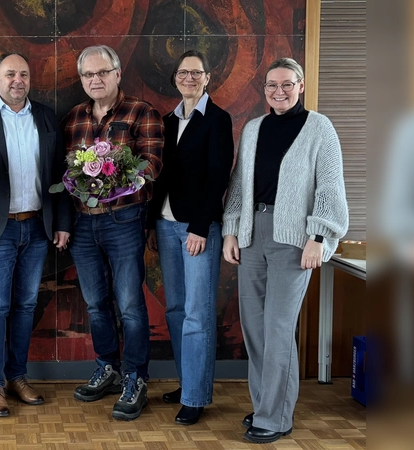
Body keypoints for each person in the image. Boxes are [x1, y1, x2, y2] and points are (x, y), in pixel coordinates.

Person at [222, 57, 348, 443]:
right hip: (252, 233)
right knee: (254, 328)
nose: (279, 91)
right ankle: (266, 405)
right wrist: (231, 231)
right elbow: (239, 184)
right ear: (264, 89)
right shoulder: (253, 129)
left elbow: (330, 187)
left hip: (294, 238)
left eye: (287, 84)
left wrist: (319, 237)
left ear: (301, 86)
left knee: (278, 328)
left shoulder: (320, 128)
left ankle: (275, 417)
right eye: (272, 85)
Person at [0, 53, 72, 417]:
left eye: (23, 74)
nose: (17, 80)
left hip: (37, 226)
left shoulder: (46, 116)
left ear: (30, 79)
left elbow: (60, 173)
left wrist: (62, 222)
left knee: (26, 305)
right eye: (10, 74)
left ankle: (17, 376)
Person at [62, 44, 163, 421]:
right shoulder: (74, 118)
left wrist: (114, 177)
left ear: (117, 73)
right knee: (95, 304)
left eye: (102, 72)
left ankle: (136, 377)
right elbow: (65, 170)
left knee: (131, 305)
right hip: (82, 223)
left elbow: (152, 165)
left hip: (124, 220)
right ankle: (108, 367)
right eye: (88, 74)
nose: (95, 79)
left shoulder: (141, 111)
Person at [146, 50, 234, 425]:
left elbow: (218, 176)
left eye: (196, 73)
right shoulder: (167, 121)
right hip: (166, 225)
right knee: (176, 310)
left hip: (198, 229)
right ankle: (187, 385)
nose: (189, 78)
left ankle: (196, 397)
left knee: (197, 314)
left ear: (207, 77)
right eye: (183, 73)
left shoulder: (217, 119)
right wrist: (152, 223)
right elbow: (161, 177)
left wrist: (199, 226)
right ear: (175, 78)